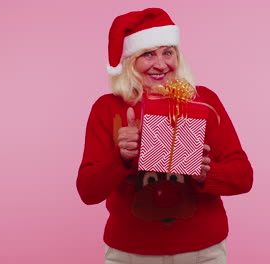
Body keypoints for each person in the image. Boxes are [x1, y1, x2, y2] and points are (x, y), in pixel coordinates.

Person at [77, 8, 253, 264]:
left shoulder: (204, 101)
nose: (161, 64)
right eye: (147, 54)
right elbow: (88, 191)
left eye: (168, 52)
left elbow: (243, 177)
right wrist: (121, 157)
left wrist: (207, 173)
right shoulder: (107, 109)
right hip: (130, 252)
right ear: (129, 62)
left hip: (203, 252)